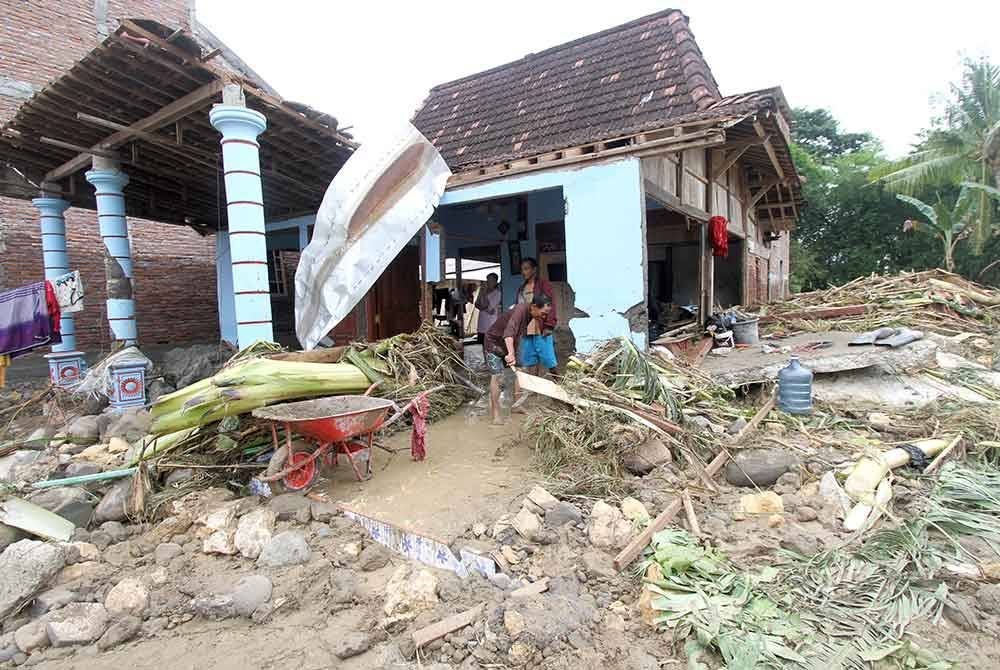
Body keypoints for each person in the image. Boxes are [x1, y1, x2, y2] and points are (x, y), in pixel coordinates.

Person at [483, 294, 553, 425]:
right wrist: (511, 354)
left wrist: (514, 352)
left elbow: (517, 334)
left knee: (521, 371)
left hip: (509, 343)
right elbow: (508, 333)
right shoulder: (520, 311)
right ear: (534, 307)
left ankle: (517, 405)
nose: (544, 317)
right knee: (497, 376)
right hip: (493, 343)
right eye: (543, 313)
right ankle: (496, 414)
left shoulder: (530, 313)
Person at [515, 258, 558, 377]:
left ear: (534, 270)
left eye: (526, 269)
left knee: (549, 359)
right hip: (527, 329)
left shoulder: (544, 285)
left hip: (541, 327)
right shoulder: (521, 288)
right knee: (530, 361)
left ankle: (560, 385)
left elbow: (551, 305)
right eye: (522, 269)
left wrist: (549, 325)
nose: (524, 272)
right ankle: (534, 390)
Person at [474, 273, 502, 348]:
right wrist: (483, 307)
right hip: (481, 325)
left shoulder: (497, 293)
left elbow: (487, 306)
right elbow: (476, 304)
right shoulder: (482, 292)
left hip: (490, 326)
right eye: (488, 280)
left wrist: (483, 293)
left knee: (490, 348)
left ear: (495, 282)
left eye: (491, 280)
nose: (488, 282)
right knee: (481, 347)